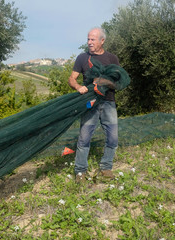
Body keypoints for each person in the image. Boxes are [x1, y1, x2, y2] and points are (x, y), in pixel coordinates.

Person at [68, 27, 120, 183]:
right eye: (88, 39)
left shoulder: (112, 59)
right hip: (90, 103)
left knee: (112, 138)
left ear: (102, 41)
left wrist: (103, 82)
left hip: (108, 102)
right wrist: (78, 87)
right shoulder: (82, 58)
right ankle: (80, 172)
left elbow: (117, 82)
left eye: (93, 39)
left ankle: (106, 168)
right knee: (84, 138)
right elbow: (72, 78)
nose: (89, 42)